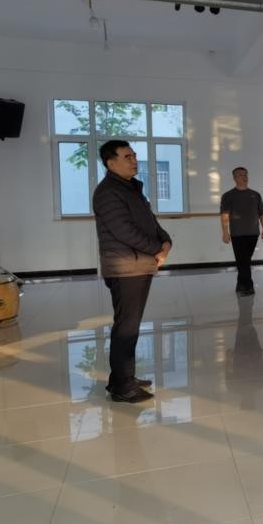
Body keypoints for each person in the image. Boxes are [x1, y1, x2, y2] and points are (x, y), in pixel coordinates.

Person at [92, 140, 172, 404]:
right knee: (126, 328)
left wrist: (165, 240)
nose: (134, 160)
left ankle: (121, 378)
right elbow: (124, 231)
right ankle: (123, 387)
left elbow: (150, 221)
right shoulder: (107, 192)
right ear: (110, 162)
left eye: (134, 155)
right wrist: (157, 249)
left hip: (138, 265)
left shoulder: (131, 188)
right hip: (126, 268)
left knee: (129, 326)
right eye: (127, 157)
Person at [220, 167, 263, 296]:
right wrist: (225, 232)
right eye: (241, 175)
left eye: (246, 174)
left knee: (244, 261)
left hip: (253, 233)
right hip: (237, 234)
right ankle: (248, 286)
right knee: (243, 260)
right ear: (234, 178)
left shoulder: (255, 195)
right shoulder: (228, 196)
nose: (245, 177)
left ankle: (240, 284)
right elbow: (224, 215)